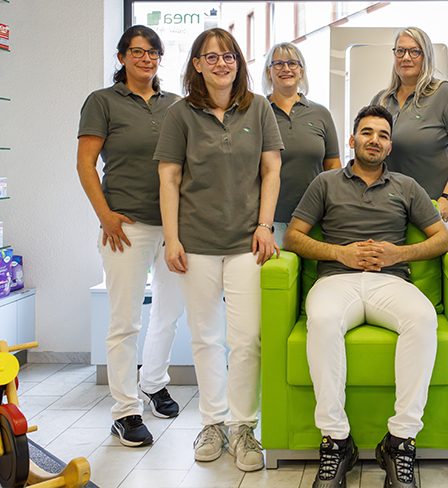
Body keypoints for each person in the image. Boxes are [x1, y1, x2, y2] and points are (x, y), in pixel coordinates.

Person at [283, 105, 448, 488]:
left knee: (422, 318)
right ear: (352, 139)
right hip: (336, 280)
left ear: (389, 146)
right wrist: (339, 253)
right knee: (323, 321)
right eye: (367, 132)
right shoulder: (325, 183)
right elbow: (292, 237)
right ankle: (336, 441)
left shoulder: (406, 186)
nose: (374, 140)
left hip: (389, 282)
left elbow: (444, 240)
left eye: (382, 135)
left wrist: (398, 253)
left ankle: (400, 441)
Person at [155, 28, 283, 471]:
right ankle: (213, 423)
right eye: (211, 57)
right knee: (205, 338)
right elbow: (169, 178)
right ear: (196, 64)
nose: (221, 63)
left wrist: (265, 225)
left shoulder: (259, 108)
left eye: (228, 56)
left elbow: (271, 170)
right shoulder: (180, 113)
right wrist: (172, 238)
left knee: (246, 339)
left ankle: (243, 427)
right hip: (196, 243)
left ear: (239, 63)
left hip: (247, 243)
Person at [77, 25, 184, 448]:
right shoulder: (102, 101)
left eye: (153, 52)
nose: (146, 58)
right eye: (137, 51)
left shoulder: (174, 104)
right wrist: (104, 215)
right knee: (125, 321)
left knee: (169, 313)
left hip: (174, 227)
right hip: (126, 227)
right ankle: (125, 410)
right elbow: (86, 163)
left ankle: (154, 383)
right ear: (121, 57)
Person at [371, 27, 448, 233]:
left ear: (426, 56)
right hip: (392, 204)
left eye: (414, 51)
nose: (406, 57)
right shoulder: (381, 100)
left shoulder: (444, 94)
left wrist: (447, 197)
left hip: (435, 203)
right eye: (400, 51)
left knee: (428, 254)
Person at [261, 42, 341, 245]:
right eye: (278, 64)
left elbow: (333, 166)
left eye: (292, 63)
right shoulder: (258, 112)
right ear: (269, 71)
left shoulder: (321, 113)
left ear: (301, 71)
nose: (286, 69)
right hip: (270, 222)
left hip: (314, 219)